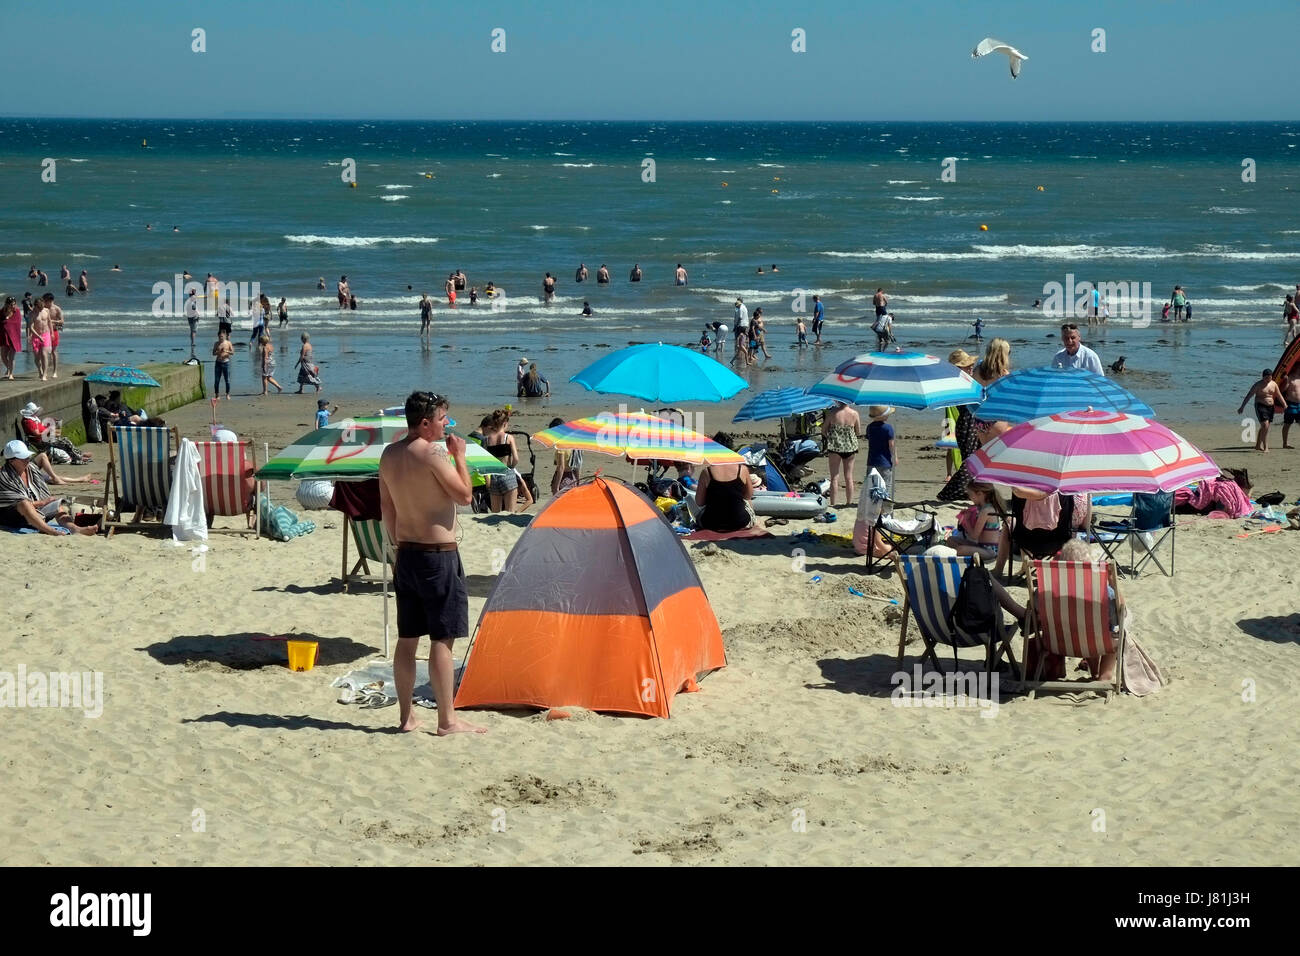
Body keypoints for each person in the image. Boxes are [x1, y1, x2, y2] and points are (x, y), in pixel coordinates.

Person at [377, 391, 483, 736]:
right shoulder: (434, 452)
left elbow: (387, 509)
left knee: (408, 637)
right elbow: (465, 496)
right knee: (442, 637)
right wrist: (460, 457)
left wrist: (396, 548)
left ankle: (407, 717)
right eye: (441, 419)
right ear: (424, 423)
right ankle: (447, 721)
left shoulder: (389, 454)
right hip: (438, 556)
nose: (446, 425)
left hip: (406, 552)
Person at [0, 441, 98, 536]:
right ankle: (50, 530)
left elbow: (42, 459)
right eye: (23, 458)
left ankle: (74, 528)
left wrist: (47, 502)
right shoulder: (4, 476)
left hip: (34, 509)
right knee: (24, 503)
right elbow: (13, 502)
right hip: (12, 516)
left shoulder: (31, 469)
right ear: (11, 461)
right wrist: (42, 503)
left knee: (57, 505)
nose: (27, 459)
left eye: (27, 456)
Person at [937, 349, 981, 503]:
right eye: (967, 365)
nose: (971, 367)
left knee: (972, 458)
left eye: (971, 365)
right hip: (967, 423)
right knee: (971, 460)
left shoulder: (963, 380)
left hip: (969, 422)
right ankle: (949, 492)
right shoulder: (959, 382)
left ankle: (967, 490)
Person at [692, 432, 754, 532]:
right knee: (747, 502)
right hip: (740, 522)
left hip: (712, 523)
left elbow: (699, 502)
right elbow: (748, 495)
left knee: (700, 512)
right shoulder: (742, 469)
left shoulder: (707, 472)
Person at [943, 482, 1002, 560]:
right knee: (951, 539)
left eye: (970, 495)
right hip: (979, 545)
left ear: (980, 494)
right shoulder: (981, 508)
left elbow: (974, 536)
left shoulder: (986, 510)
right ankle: (965, 554)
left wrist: (967, 520)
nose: (970, 498)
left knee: (960, 549)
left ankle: (963, 554)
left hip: (989, 551)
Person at [19, 402, 91, 464]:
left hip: (45, 437)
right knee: (65, 442)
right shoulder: (28, 421)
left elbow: (40, 428)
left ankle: (79, 455)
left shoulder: (32, 419)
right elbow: (37, 434)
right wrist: (48, 430)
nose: (35, 413)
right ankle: (77, 458)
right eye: (34, 411)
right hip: (41, 441)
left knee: (63, 438)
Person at [821, 401, 861, 508]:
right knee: (849, 477)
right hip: (850, 447)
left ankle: (833, 503)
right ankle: (848, 503)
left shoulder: (832, 413)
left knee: (834, 477)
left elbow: (823, 430)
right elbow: (858, 432)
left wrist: (831, 435)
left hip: (835, 446)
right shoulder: (854, 413)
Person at [480, 409, 521, 513]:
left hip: (494, 476)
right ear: (505, 423)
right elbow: (516, 458)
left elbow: (484, 462)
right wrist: (511, 466)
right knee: (510, 512)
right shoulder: (508, 437)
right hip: (507, 473)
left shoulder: (487, 439)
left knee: (495, 513)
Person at [1237, 368, 1283, 453]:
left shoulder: (1274, 384)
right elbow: (1249, 396)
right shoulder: (1257, 385)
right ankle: (1266, 447)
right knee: (1265, 425)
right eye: (1266, 378)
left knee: (1265, 427)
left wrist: (1285, 405)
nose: (1268, 380)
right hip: (1260, 406)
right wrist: (1242, 407)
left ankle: (1258, 445)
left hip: (1270, 407)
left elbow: (1279, 395)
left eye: (1270, 378)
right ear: (1263, 377)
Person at [864, 405, 896, 504]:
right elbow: (891, 445)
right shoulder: (888, 428)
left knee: (873, 484)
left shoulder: (869, 427)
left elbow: (870, 439)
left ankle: (873, 503)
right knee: (886, 484)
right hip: (885, 461)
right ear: (883, 416)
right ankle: (885, 504)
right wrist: (894, 457)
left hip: (872, 461)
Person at [548, 417, 583, 496]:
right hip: (572, 477)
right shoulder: (573, 445)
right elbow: (577, 465)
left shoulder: (561, 447)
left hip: (562, 478)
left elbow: (561, 467)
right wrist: (578, 481)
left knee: (557, 502)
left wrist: (556, 486)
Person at [42, 293, 64, 379]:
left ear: (51, 301)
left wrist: (52, 322)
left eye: (46, 301)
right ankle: (45, 372)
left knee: (54, 351)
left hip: (54, 331)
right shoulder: (43, 309)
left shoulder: (57, 309)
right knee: (44, 352)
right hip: (44, 332)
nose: (45, 303)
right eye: (44, 301)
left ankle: (55, 371)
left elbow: (62, 321)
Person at [29, 302, 52, 381]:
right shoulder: (32, 314)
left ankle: (44, 374)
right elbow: (31, 327)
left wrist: (52, 333)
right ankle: (40, 370)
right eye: (40, 307)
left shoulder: (46, 310)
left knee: (44, 354)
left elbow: (49, 321)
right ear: (35, 306)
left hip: (46, 334)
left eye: (42, 307)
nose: (41, 309)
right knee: (37, 358)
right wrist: (39, 337)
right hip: (36, 336)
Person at [1, 296, 22, 380]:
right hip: (4, 336)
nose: (13, 306)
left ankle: (11, 374)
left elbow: (17, 323)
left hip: (14, 336)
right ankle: (8, 368)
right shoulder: (2, 311)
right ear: (7, 304)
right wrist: (5, 321)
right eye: (11, 304)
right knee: (3, 356)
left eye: (14, 304)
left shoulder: (16, 311)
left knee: (11, 356)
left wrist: (6, 321)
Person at [212, 330, 234, 399]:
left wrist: (226, 351)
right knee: (217, 380)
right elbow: (213, 353)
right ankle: (217, 394)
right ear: (218, 336)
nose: (221, 338)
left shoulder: (228, 343)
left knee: (227, 380)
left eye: (222, 336)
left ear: (225, 336)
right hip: (218, 363)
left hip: (226, 363)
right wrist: (219, 352)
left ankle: (227, 394)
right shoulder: (216, 343)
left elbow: (232, 352)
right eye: (219, 336)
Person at [1282, 374, 1300, 449]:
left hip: (1299, 405)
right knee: (1287, 424)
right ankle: (1285, 444)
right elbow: (1282, 390)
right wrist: (1286, 381)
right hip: (1290, 404)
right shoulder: (1290, 378)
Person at [732, 298, 750, 365]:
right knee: (743, 340)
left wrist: (736, 326)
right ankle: (740, 354)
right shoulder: (744, 307)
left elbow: (740, 317)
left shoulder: (740, 309)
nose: (736, 307)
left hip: (741, 325)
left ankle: (740, 354)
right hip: (745, 324)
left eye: (736, 305)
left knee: (739, 339)